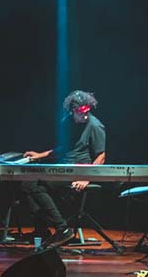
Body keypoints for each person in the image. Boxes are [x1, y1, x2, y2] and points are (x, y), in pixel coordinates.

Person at [21, 90, 106, 249]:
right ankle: (42, 231)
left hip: (79, 171)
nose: (85, 116)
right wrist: (40, 156)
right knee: (26, 183)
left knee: (33, 185)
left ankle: (62, 229)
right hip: (63, 167)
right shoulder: (67, 122)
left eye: (87, 112)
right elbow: (63, 148)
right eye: (81, 114)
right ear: (72, 111)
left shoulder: (95, 125)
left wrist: (86, 178)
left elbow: (101, 156)